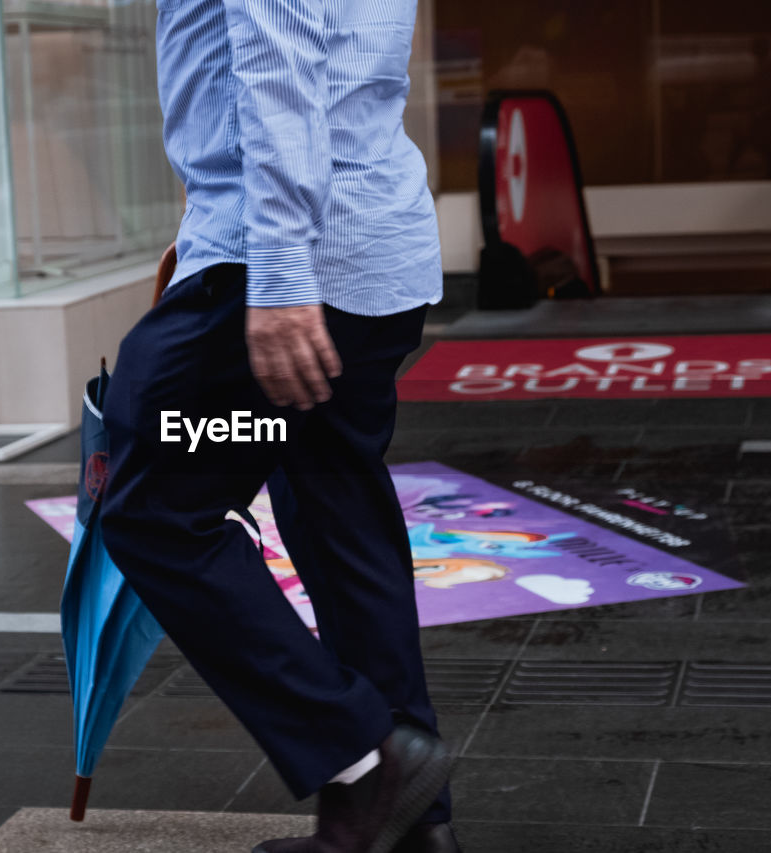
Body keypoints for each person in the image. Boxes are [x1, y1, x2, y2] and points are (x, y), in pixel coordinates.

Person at [99, 0, 459, 851]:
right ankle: (410, 833)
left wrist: (282, 273)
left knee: (153, 507)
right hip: (371, 253)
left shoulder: (280, 267)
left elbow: (282, 57)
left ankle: (366, 760)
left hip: (277, 266)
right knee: (340, 523)